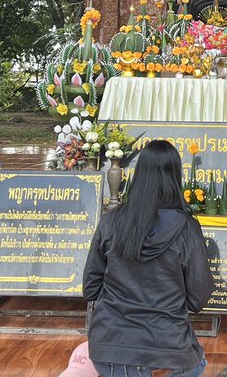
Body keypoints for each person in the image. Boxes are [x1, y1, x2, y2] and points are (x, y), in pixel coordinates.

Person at [83, 139, 214, 377]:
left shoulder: (111, 221)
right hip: (169, 350)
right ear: (175, 176)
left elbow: (90, 289)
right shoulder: (187, 228)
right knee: (197, 362)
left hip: (110, 348)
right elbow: (198, 300)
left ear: (139, 173)